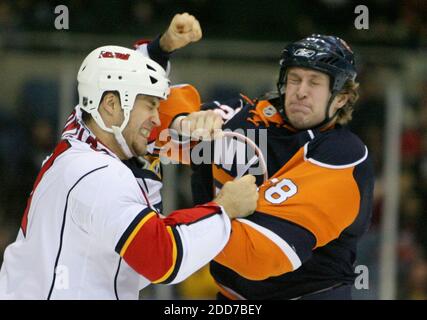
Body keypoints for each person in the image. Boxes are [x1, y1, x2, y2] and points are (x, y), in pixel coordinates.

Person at [0, 13, 258, 300]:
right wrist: (225, 209)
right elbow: (162, 258)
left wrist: (160, 49)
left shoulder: (82, 134)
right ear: (111, 105)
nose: (156, 118)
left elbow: (115, 80)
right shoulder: (99, 175)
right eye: (149, 106)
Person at [187, 34, 375, 299]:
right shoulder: (247, 116)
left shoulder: (343, 157)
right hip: (231, 297)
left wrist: (174, 235)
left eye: (315, 82)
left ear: (342, 97)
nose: (300, 91)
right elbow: (159, 129)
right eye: (295, 78)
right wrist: (184, 122)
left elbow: (258, 255)